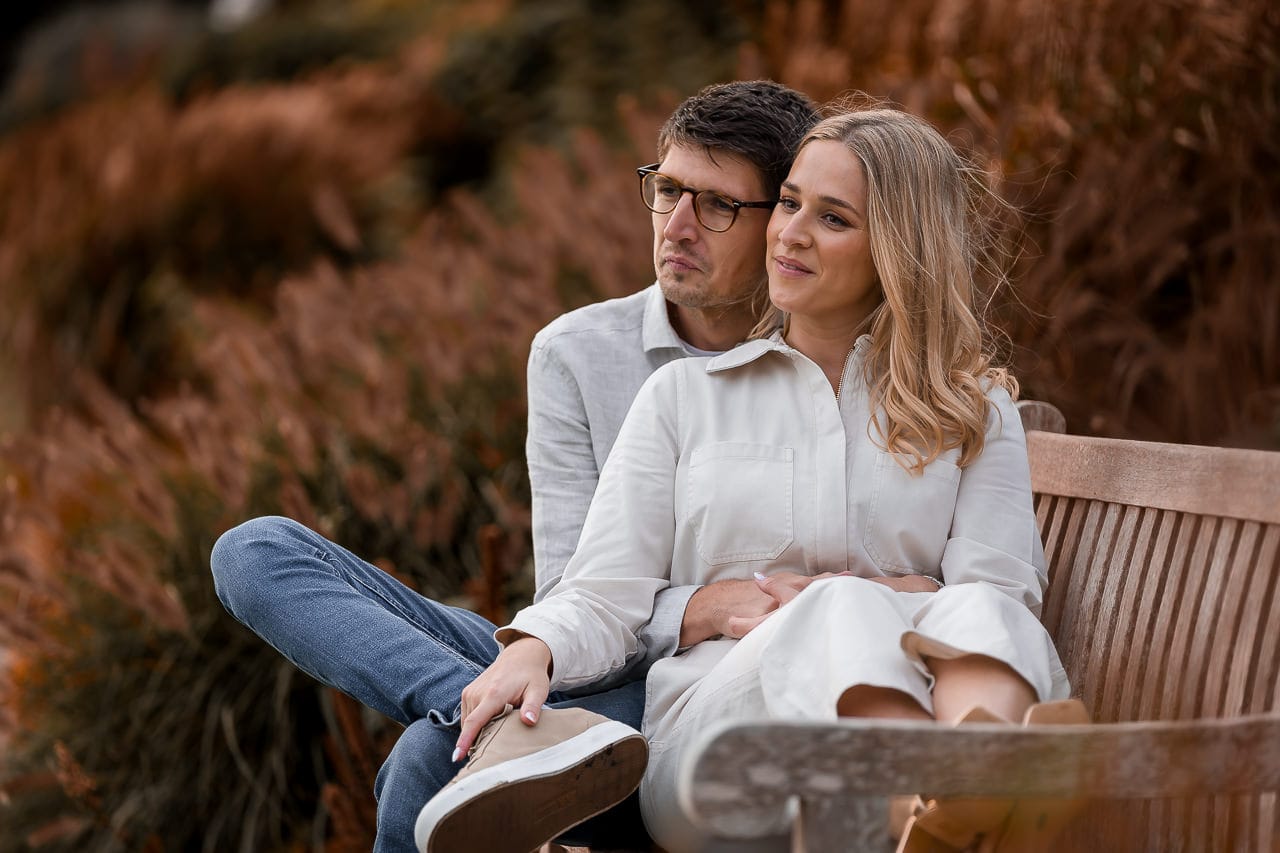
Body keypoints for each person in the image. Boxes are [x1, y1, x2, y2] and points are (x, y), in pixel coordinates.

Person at [435, 104, 1072, 853]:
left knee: (988, 618)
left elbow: (999, 595)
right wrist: (532, 647)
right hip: (716, 744)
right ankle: (941, 792)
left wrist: (890, 597)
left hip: (896, 723)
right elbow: (604, 592)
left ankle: (963, 791)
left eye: (833, 218)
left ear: (898, 250)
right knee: (837, 606)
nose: (790, 231)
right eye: (791, 203)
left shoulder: (974, 408)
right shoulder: (682, 399)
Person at [210, 80, 821, 853]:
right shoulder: (577, 352)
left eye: (719, 204)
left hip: (696, 693)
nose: (679, 226)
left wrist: (699, 618)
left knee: (430, 759)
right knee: (254, 550)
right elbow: (569, 591)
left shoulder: (817, 363)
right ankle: (498, 715)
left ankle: (500, 725)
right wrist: (698, 604)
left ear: (783, 220)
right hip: (574, 656)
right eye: (666, 190)